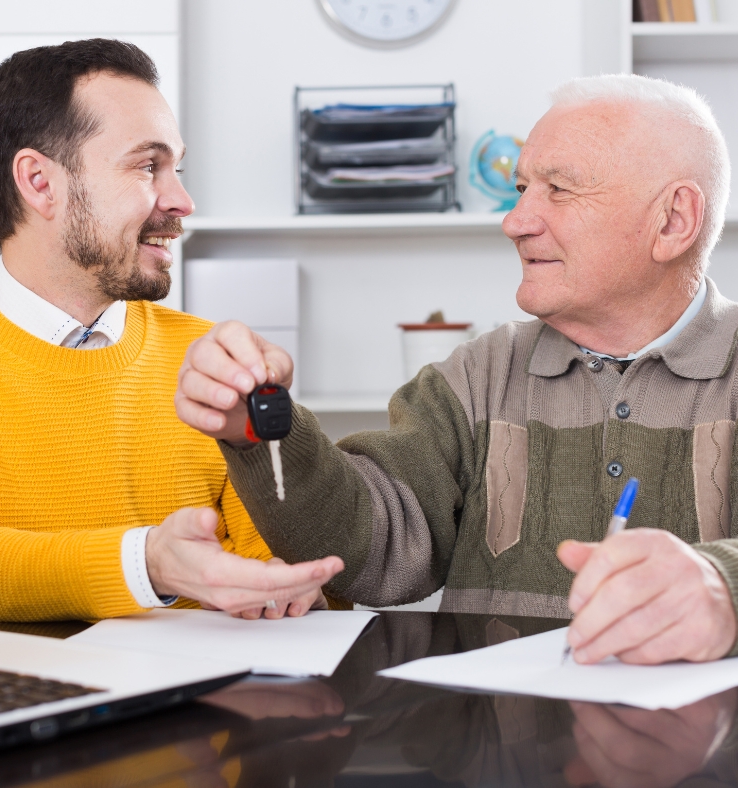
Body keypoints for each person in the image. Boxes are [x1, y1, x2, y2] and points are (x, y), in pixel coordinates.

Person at [174, 73, 738, 664]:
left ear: (674, 220)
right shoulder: (474, 378)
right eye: (522, 188)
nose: (516, 220)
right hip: (499, 749)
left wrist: (722, 587)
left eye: (559, 190)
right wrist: (264, 432)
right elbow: (371, 552)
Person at [0, 38, 342, 623]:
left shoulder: (205, 359)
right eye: (147, 166)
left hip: (195, 704)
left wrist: (294, 583)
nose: (182, 201)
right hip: (14, 706)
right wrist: (146, 564)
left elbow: (291, 567)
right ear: (39, 183)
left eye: (176, 169)